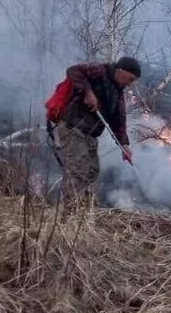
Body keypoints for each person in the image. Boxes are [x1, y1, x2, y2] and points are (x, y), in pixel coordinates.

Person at [55, 56, 141, 207]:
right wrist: (88, 92)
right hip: (73, 128)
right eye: (130, 79)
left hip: (90, 135)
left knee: (92, 170)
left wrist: (124, 145)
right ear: (121, 70)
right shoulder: (100, 71)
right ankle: (70, 209)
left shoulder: (118, 93)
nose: (130, 84)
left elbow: (119, 121)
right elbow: (73, 71)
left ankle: (82, 204)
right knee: (78, 170)